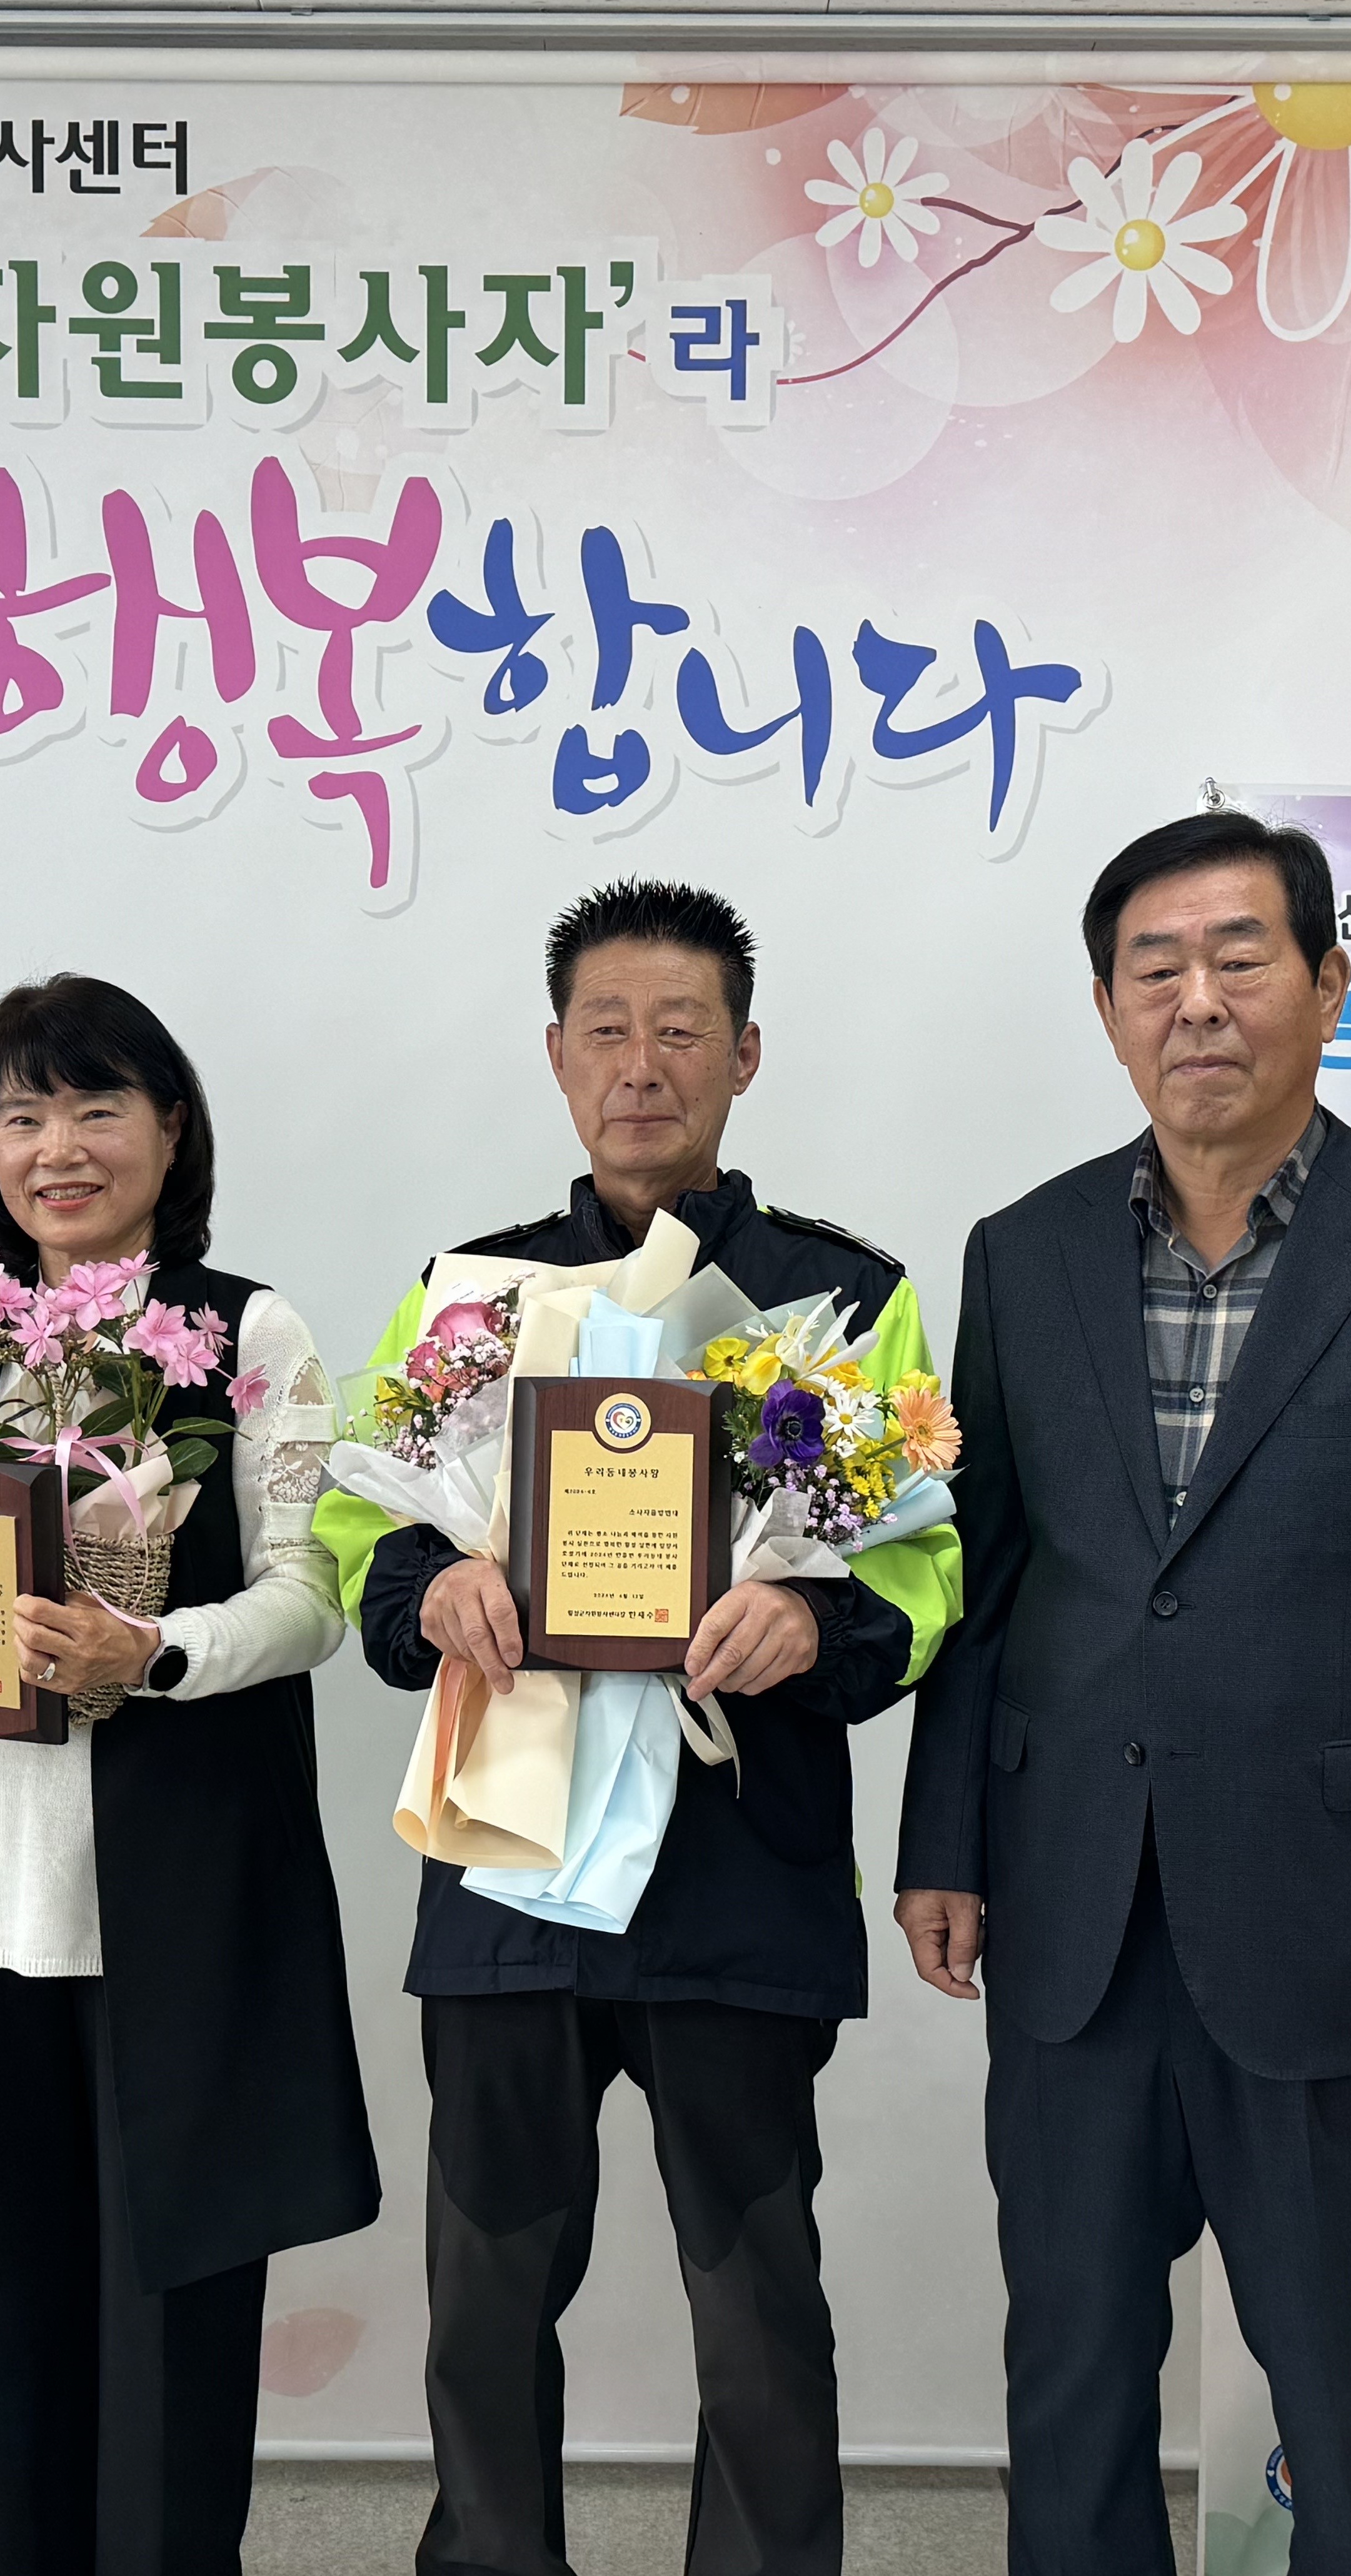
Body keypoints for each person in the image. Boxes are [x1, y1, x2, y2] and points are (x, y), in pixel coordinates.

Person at [893, 812, 1351, 2576]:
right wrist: (943, 1840)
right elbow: (986, 1575)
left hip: (1340, 1932)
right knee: (1069, 2384)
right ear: (1109, 1012)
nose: (1196, 1001)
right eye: (1155, 970)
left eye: (1239, 958)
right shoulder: (1023, 1252)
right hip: (1073, 1918)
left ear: (1329, 985)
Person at [314, 879, 963, 2576]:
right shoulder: (467, 1297)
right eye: (606, 1029)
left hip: (738, 1863)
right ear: (556, 1057)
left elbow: (924, 1566)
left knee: (756, 2304)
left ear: (745, 1055)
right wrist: (431, 1592)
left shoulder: (843, 1302)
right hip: (507, 1850)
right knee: (485, 2292)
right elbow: (364, 1522)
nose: (642, 1063)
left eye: (682, 1029)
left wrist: (812, 1620)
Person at [0, 974, 378, 2576]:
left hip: (174, 1894)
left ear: (171, 1131)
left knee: (177, 2308)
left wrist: (156, 1654)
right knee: (18, 2311)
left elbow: (312, 1597)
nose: (58, 1148)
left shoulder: (250, 1331)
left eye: (97, 1108)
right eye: (23, 1116)